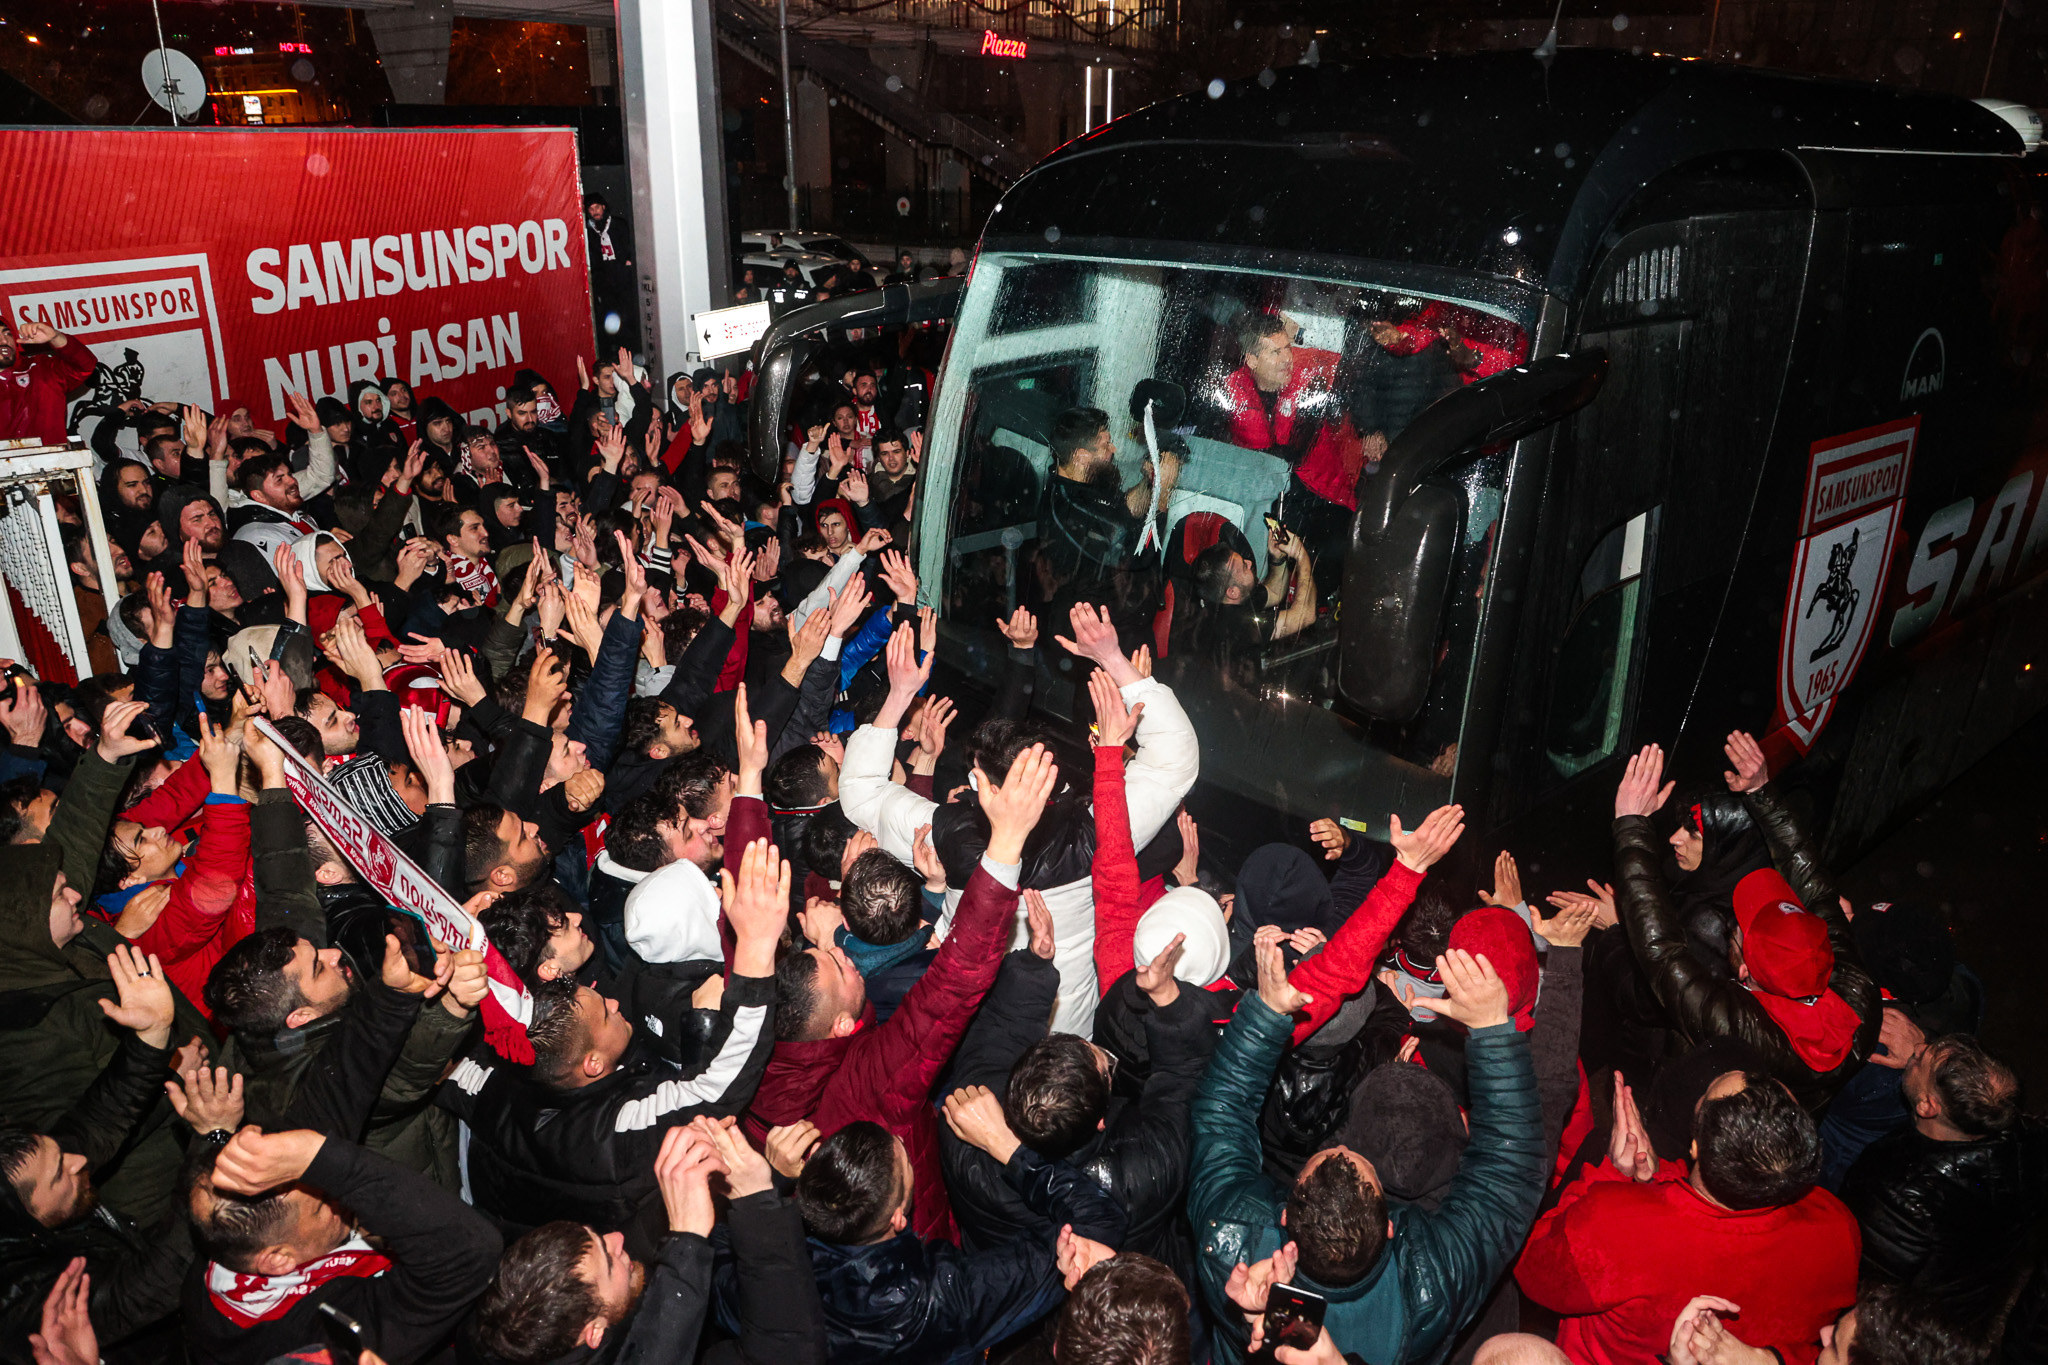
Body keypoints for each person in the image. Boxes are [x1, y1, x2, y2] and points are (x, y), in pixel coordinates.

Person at [746, 643, 1059, 1247]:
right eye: (838, 963)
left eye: (827, 948)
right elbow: (953, 984)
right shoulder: (871, 1079)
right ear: (841, 1025)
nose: (837, 944)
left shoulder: (768, 1071)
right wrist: (1007, 843)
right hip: (922, 1242)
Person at [1188, 936, 1545, 1365]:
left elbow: (1221, 1116)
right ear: (1392, 1226)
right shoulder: (1433, 1283)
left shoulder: (1232, 1252)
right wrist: (1492, 1031)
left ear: (1283, 1213)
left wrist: (1263, 1016)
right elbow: (1506, 1177)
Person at [1516, 1069, 1860, 1365]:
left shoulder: (1612, 1224)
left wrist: (1611, 1175)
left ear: (1695, 1147)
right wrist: (1660, 1177)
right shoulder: (1838, 1223)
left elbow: (1530, 1268)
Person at [1607, 739, 1879, 1110]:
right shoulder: (1857, 997)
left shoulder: (1744, 1028)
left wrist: (1630, 826)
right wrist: (1761, 791)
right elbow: (1815, 888)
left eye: (1741, 929)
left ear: (1745, 972)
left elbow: (1662, 956)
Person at [753, 1102, 1124, 1364]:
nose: (901, 1143)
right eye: (904, 1160)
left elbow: (722, 1255)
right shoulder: (946, 1297)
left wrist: (771, 1184)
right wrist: (1005, 1145)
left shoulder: (769, 1280)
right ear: (899, 1217)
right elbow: (1099, 1223)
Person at [0, 945, 222, 1365]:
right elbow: (150, 1284)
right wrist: (212, 1141)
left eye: (59, 1152)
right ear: (23, 1221)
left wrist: (152, 1035)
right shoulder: (19, 1304)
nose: (79, 1161)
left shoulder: (24, 1182)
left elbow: (101, 1118)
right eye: (58, 1175)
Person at [472, 1118, 823, 1365]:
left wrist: (709, 1178)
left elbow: (637, 1240)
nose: (616, 1239)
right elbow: (789, 1353)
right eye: (609, 1261)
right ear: (592, 1333)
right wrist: (758, 1200)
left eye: (595, 1237)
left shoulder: (510, 1330)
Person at [181, 1126, 501, 1365]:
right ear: (278, 1260)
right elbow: (470, 1251)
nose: (336, 1197)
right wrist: (346, 1174)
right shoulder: (330, 1338)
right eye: (322, 1206)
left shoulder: (229, 1249)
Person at [1838, 1032, 2043, 1323]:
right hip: (1980, 1297)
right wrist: (1925, 1067)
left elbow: (1866, 1279)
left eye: (1920, 1056)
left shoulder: (1896, 1196)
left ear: (1927, 1107)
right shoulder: (2028, 1139)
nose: (1917, 1046)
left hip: (1916, 1319)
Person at [0, 320, 95, 445]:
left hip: (54, 460)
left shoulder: (41, 368)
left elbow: (85, 366)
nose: (5, 341)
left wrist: (56, 337)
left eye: (8, 334)